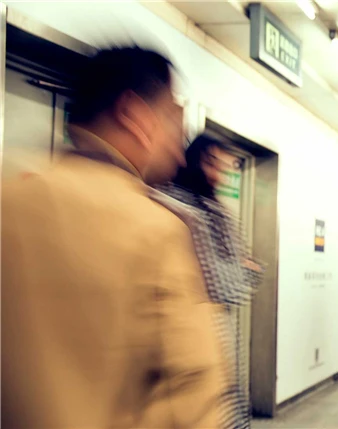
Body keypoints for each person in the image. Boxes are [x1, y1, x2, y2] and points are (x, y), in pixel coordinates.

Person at [1, 46, 225, 428]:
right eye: (174, 124)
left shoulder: (9, 203)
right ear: (135, 116)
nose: (180, 153)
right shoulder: (157, 230)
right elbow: (194, 397)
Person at [153, 135, 263, 429]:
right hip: (196, 333)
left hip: (197, 334)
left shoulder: (200, 207)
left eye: (223, 167)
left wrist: (240, 268)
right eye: (212, 163)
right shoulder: (195, 211)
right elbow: (225, 286)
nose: (218, 175)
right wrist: (245, 268)